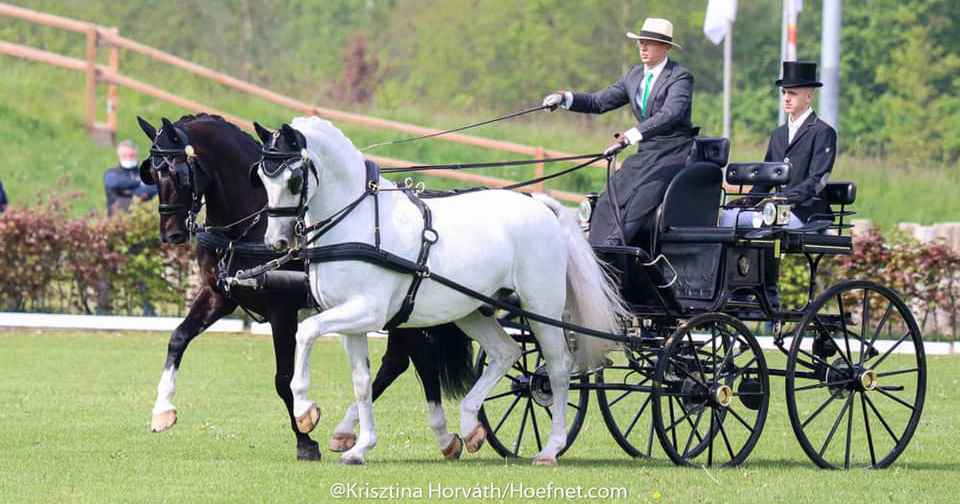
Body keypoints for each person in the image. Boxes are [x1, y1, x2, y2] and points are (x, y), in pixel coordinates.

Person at [542, 17, 697, 248]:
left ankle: (618, 249)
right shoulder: (634, 76)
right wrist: (565, 99)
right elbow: (598, 102)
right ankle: (597, 249)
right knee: (610, 197)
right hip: (647, 153)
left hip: (674, 153)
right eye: (640, 42)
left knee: (641, 199)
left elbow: (671, 113)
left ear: (665, 48)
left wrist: (631, 135)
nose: (643, 47)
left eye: (650, 43)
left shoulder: (680, 77)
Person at [721, 61, 838, 310]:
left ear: (808, 96)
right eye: (784, 92)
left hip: (807, 212)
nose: (786, 98)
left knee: (766, 224)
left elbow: (817, 180)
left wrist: (786, 200)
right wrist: (746, 202)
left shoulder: (823, 132)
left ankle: (768, 292)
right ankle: (736, 286)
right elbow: (765, 179)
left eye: (793, 93)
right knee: (728, 219)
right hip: (775, 210)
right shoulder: (779, 134)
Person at [104, 140, 157, 217]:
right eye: (125, 155)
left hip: (143, 218)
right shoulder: (111, 173)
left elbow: (154, 188)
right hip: (117, 220)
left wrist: (127, 191)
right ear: (119, 156)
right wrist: (140, 183)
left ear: (136, 155)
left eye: (131, 155)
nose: (128, 158)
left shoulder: (145, 172)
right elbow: (114, 183)